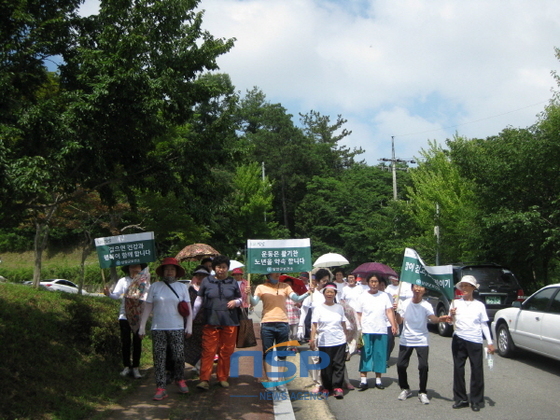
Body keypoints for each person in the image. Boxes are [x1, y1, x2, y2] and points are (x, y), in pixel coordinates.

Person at [139, 257, 193, 401]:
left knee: (179, 356)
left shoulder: (182, 287)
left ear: (176, 272)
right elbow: (148, 307)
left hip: (177, 327)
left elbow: (188, 309)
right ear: (163, 271)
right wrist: (142, 326)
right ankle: (161, 387)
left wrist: (189, 326)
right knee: (159, 358)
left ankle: (179, 379)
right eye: (167, 269)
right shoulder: (155, 287)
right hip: (158, 327)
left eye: (172, 269)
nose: (169, 272)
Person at [250, 272, 310, 392]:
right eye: (274, 273)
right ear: (268, 274)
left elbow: (296, 298)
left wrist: (308, 293)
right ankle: (271, 381)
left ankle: (280, 381)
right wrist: (248, 295)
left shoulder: (285, 287)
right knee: (268, 353)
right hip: (267, 323)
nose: (277, 274)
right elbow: (254, 302)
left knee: (282, 354)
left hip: (283, 323)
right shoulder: (261, 287)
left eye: (278, 272)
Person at [395, 283, 451, 404]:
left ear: (424, 290)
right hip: (406, 338)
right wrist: (397, 311)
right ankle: (405, 388)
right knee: (401, 365)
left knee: (423, 366)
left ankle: (422, 392)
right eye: (416, 287)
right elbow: (399, 321)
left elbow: (433, 318)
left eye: (421, 287)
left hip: (422, 339)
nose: (418, 289)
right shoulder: (404, 304)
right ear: (412, 289)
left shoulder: (426, 305)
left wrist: (441, 319)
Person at [192, 255, 242, 390]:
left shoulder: (232, 282)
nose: (221, 270)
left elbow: (240, 300)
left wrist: (235, 302)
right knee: (208, 350)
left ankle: (223, 377)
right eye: (219, 267)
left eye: (224, 267)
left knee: (226, 351)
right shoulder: (206, 282)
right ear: (214, 268)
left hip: (230, 321)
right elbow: (199, 301)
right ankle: (204, 379)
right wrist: (191, 318)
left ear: (228, 268)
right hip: (210, 321)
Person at [448, 275, 495, 412]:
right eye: (462, 286)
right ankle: (461, 398)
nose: (464, 288)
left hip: (474, 340)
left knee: (477, 370)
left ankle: (476, 400)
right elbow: (450, 322)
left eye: (467, 286)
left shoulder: (479, 305)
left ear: (473, 288)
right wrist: (451, 316)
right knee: (458, 369)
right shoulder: (455, 303)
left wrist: (490, 342)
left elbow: (484, 324)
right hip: (459, 338)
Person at [104, 263, 148, 379]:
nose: (134, 269)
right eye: (132, 267)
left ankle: (136, 367)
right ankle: (126, 366)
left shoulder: (144, 281)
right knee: (126, 342)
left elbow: (147, 297)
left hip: (138, 316)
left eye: (136, 267)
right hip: (125, 315)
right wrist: (108, 294)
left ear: (140, 269)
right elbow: (116, 295)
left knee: (137, 342)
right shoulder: (123, 281)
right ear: (128, 269)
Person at [356, 273, 397, 391]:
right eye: (372, 281)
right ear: (368, 283)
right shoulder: (362, 296)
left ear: (379, 283)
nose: (374, 284)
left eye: (376, 282)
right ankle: (363, 380)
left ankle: (378, 379)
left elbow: (389, 311)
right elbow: (359, 313)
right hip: (366, 329)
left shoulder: (384, 296)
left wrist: (393, 324)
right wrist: (359, 329)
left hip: (381, 329)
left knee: (380, 354)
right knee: (366, 353)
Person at [309, 282, 348, 399]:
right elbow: (314, 325)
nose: (330, 294)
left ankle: (337, 387)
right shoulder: (318, 308)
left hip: (339, 340)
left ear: (335, 294)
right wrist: (312, 339)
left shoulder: (339, 308)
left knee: (339, 364)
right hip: (324, 341)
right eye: (327, 292)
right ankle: (327, 387)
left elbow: (343, 323)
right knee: (325, 365)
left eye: (332, 292)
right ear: (324, 294)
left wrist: (347, 338)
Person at [184, 265, 210, 373]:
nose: (201, 277)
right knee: (191, 344)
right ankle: (196, 365)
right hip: (192, 321)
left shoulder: (209, 289)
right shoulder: (189, 289)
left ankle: (201, 367)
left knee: (205, 345)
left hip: (206, 320)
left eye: (203, 275)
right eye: (199, 275)